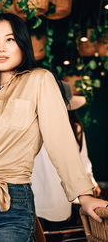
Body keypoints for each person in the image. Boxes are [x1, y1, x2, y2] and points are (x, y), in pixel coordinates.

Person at [0, 13, 108, 242]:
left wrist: (84, 194)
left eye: (9, 39)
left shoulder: (39, 80)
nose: (1, 47)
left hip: (9, 204)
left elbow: (60, 140)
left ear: (22, 43)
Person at [31, 81, 101, 233]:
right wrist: (91, 183)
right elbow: (82, 161)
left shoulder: (32, 123)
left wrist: (90, 183)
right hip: (57, 194)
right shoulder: (75, 127)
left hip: (39, 193)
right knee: (54, 234)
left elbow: (82, 160)